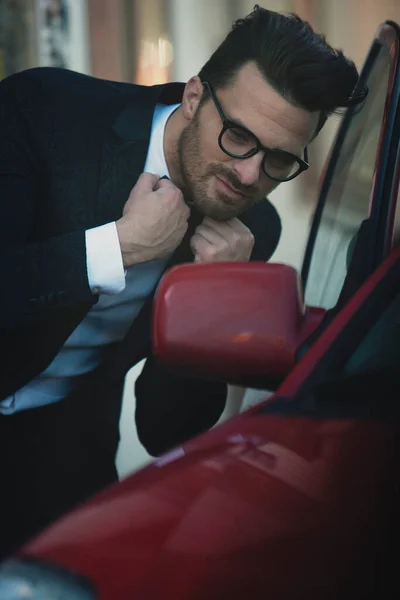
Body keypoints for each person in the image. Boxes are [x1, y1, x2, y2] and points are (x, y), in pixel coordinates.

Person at [0, 5, 365, 556]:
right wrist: (116, 247)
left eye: (279, 161)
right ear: (194, 96)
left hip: (64, 461)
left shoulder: (251, 231)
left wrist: (217, 298)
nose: (249, 174)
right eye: (239, 136)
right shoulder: (44, 110)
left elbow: (168, 430)